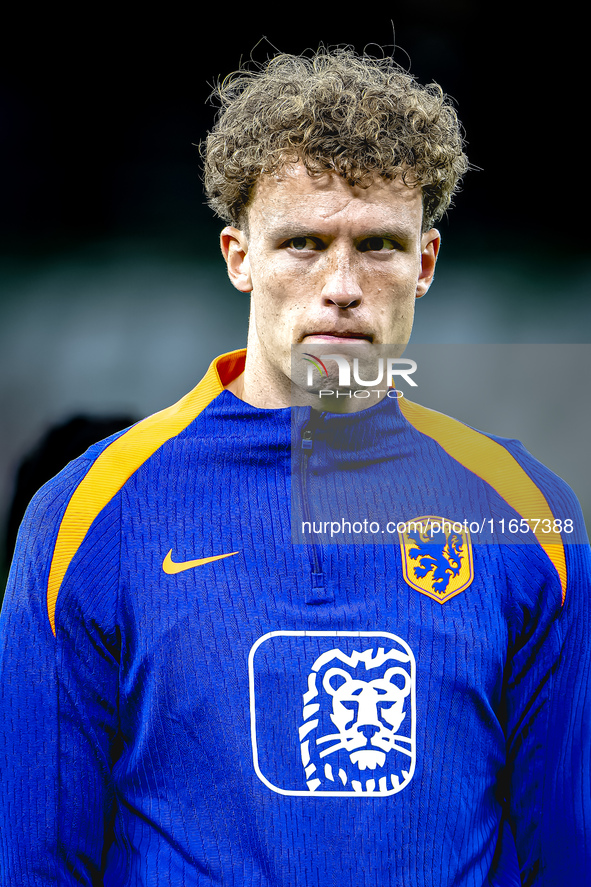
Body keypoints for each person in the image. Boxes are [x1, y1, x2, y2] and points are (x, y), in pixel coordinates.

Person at [0, 47, 589, 887]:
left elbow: (564, 857)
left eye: (378, 245)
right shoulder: (87, 516)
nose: (341, 285)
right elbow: (34, 862)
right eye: (303, 243)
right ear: (239, 256)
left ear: (424, 264)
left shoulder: (528, 518)